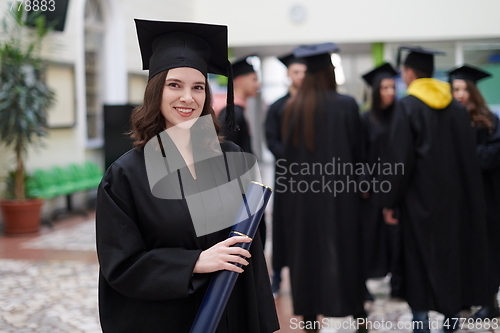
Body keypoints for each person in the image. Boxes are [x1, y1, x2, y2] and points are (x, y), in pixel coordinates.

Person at [95, 19, 279, 333]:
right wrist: (193, 263)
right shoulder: (126, 174)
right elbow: (121, 264)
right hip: (169, 319)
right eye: (175, 85)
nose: (188, 98)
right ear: (156, 91)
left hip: (231, 314)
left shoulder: (232, 157)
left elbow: (252, 246)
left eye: (198, 87)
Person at [381, 46, 489, 333]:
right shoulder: (455, 107)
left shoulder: (407, 107)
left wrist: (389, 201)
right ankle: (451, 323)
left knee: (417, 265)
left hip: (417, 205)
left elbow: (399, 161)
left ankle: (422, 327)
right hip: (454, 203)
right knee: (450, 262)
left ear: (409, 73)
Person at [280, 42, 366, 333]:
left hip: (302, 198)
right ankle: (357, 315)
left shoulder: (292, 108)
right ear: (330, 72)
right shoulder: (347, 106)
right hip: (342, 196)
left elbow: (287, 160)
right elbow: (359, 153)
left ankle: (308, 318)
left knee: (307, 254)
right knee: (346, 252)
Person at [448, 64, 500, 319]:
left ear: (472, 91)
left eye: (462, 89)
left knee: (487, 250)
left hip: (486, 198)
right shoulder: (449, 120)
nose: (458, 94)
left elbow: (492, 156)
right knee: (461, 249)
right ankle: (465, 298)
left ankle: (489, 301)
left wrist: (465, 157)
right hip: (459, 198)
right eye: (454, 89)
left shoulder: (489, 120)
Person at [264, 52, 307, 297]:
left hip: (311, 175)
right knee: (283, 224)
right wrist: (291, 158)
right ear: (288, 74)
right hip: (287, 175)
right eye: (296, 72)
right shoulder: (278, 107)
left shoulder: (315, 105)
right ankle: (278, 275)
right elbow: (272, 139)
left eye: (303, 72)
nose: (300, 76)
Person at [359, 62, 402, 298]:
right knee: (371, 235)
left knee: (396, 237)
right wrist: (364, 181)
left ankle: (398, 282)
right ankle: (365, 281)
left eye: (392, 87)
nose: (390, 92)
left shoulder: (402, 115)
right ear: (376, 91)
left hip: (397, 183)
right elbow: (361, 152)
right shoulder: (366, 119)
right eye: (385, 88)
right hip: (373, 187)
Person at [218, 56, 267, 246]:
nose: (258, 84)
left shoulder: (236, 111)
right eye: (254, 79)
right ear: (239, 81)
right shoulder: (232, 114)